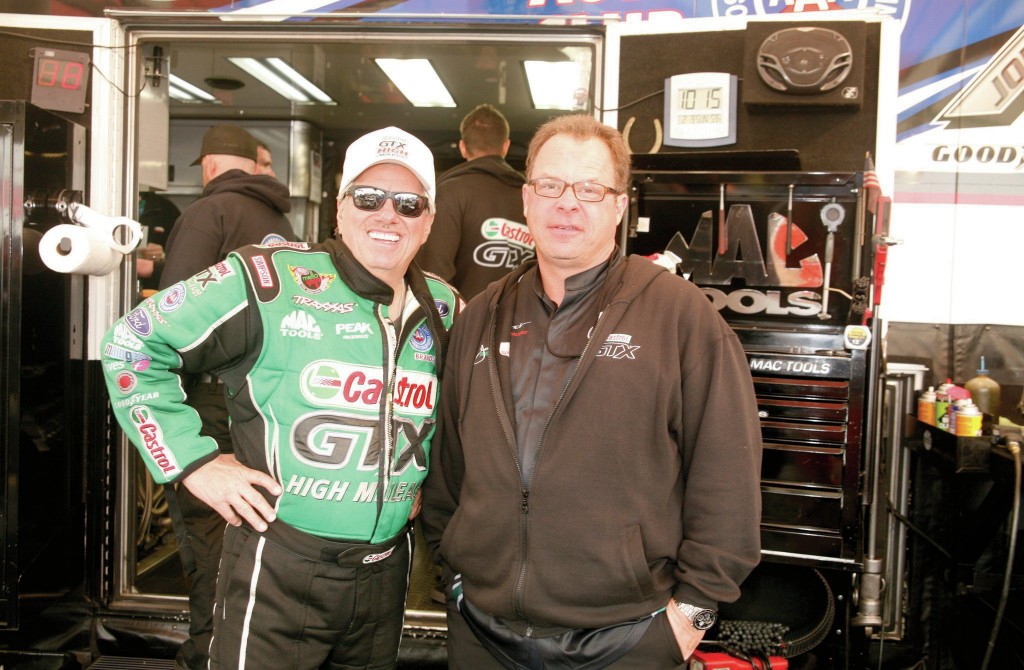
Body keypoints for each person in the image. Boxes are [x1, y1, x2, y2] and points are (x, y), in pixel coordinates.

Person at [101, 126, 458, 669]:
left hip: (387, 573)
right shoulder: (269, 280)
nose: (388, 215)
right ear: (340, 208)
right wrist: (193, 462)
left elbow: (461, 417)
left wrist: (424, 482)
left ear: (428, 221)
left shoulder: (448, 308)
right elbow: (130, 345)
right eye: (369, 197)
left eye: (409, 204)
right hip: (280, 564)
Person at [421, 114, 763, 669]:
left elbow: (728, 478)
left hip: (627, 639)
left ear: (619, 206)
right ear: (527, 199)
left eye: (590, 189)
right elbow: (448, 469)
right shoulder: (480, 316)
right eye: (551, 186)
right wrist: (457, 574)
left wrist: (691, 615)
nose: (568, 204)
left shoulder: (681, 317)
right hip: (482, 632)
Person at [150, 124, 300, 670]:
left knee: (208, 539)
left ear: (210, 165)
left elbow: (168, 317)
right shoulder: (279, 221)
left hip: (211, 402)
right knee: (256, 538)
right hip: (266, 405)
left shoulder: (207, 213)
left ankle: (206, 655)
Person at [415, 103, 531, 299]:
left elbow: (433, 274)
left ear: (462, 147)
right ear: (506, 146)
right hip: (524, 323)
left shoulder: (449, 192)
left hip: (464, 323)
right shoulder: (531, 195)